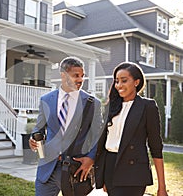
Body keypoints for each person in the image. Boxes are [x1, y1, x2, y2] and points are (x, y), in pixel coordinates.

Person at [29, 56, 102, 196]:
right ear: (63, 75)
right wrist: (33, 138)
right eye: (76, 75)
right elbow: (39, 128)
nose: (80, 80)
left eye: (82, 76)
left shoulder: (92, 103)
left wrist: (91, 159)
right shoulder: (46, 100)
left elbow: (97, 135)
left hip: (76, 169)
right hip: (48, 169)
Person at [95, 62, 168, 196]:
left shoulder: (148, 106)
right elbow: (103, 143)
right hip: (110, 167)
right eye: (117, 81)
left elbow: (156, 147)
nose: (119, 85)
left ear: (136, 82)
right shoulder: (110, 107)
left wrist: (162, 187)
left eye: (124, 80)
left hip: (133, 173)